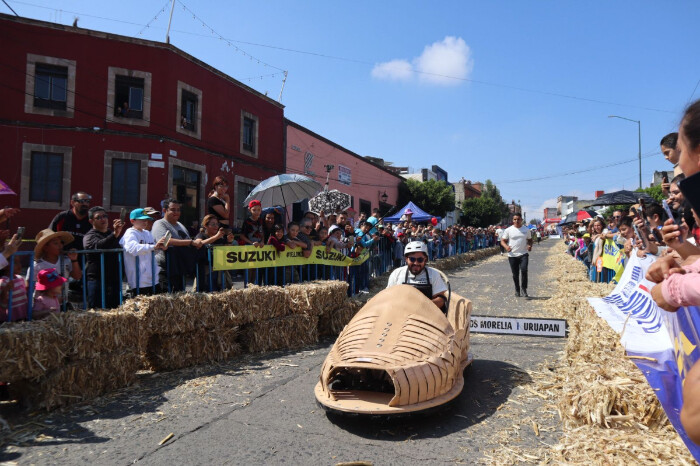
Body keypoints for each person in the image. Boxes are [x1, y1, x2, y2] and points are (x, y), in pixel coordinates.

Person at [152, 199, 203, 292]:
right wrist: (191, 242)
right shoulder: (159, 223)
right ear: (164, 210)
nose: (176, 212)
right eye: (173, 209)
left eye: (178, 210)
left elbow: (188, 240)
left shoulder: (180, 225)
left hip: (180, 269)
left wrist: (196, 241)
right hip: (165, 269)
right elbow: (165, 241)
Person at [386, 241, 448, 312]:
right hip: (401, 314)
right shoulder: (397, 273)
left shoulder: (433, 274)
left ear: (425, 259)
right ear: (406, 259)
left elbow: (441, 299)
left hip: (427, 315)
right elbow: (388, 296)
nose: (416, 263)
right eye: (412, 259)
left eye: (420, 260)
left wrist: (422, 306)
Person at [83, 206, 125, 309]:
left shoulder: (111, 233)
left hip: (114, 279)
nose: (103, 219)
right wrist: (115, 234)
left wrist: (115, 234)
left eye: (105, 216)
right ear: (91, 221)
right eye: (99, 217)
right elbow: (98, 246)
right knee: (97, 312)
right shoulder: (89, 236)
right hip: (97, 280)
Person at [120, 208, 167, 297]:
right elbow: (133, 248)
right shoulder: (130, 233)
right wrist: (154, 247)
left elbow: (152, 249)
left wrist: (160, 247)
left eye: (146, 220)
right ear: (132, 221)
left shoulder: (147, 233)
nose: (145, 222)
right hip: (139, 279)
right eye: (142, 220)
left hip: (152, 277)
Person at [30, 229, 82, 307]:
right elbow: (30, 286)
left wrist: (74, 260)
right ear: (45, 247)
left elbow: (77, 276)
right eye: (55, 243)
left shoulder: (66, 260)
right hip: (44, 305)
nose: (60, 246)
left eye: (61, 243)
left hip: (63, 303)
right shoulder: (37, 265)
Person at [194, 214, 234, 291]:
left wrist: (229, 241)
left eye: (217, 224)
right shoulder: (201, 235)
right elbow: (198, 243)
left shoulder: (220, 238)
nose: (216, 226)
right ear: (205, 225)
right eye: (213, 224)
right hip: (207, 271)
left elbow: (227, 252)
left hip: (220, 271)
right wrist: (216, 237)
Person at [500, 213, 532, 297]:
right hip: (512, 255)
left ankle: (524, 289)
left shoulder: (526, 230)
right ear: (512, 220)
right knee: (515, 274)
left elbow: (530, 240)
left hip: (523, 254)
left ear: (521, 220)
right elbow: (502, 241)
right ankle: (517, 289)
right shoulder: (508, 230)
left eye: (518, 219)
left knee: (524, 270)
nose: (516, 221)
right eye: (515, 219)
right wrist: (506, 247)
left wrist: (530, 245)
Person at [0, 254, 28, 321]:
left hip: (23, 316)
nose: (19, 265)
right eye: (15, 262)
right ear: (4, 266)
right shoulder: (4, 282)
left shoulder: (20, 278)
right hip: (11, 318)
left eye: (19, 262)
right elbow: (2, 303)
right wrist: (5, 290)